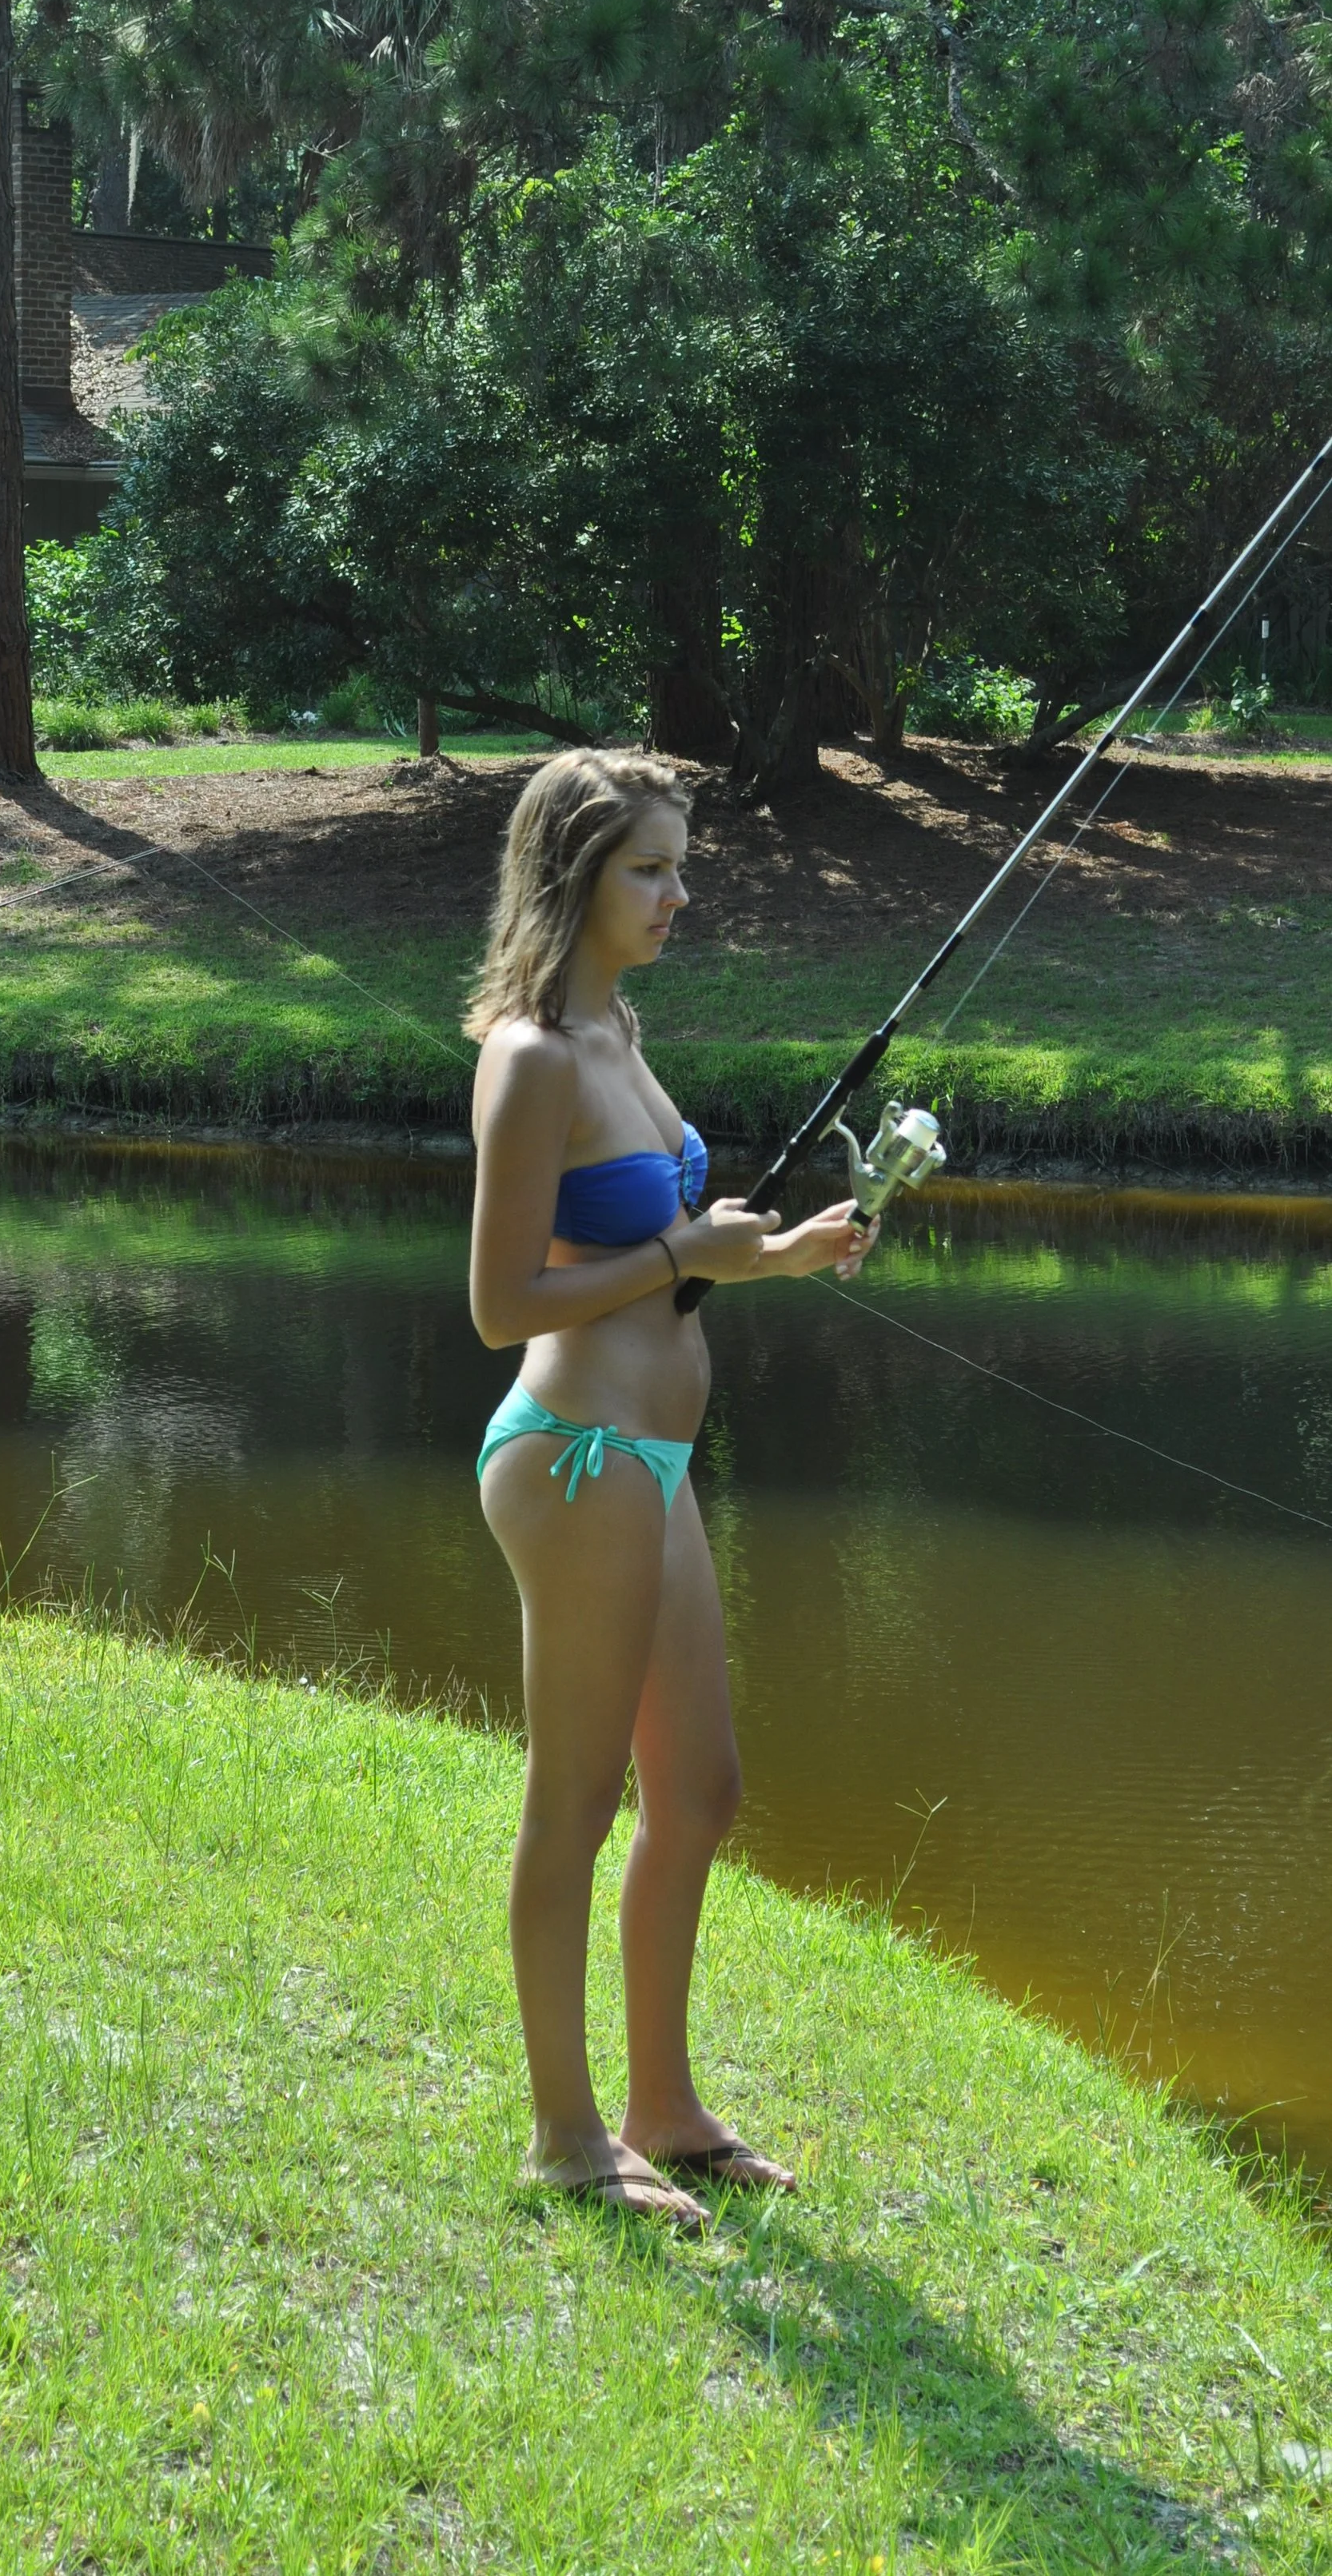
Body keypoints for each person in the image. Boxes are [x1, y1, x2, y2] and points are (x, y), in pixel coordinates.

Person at [468, 749, 875, 2225]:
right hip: (572, 1459)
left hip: (651, 1462)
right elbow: (504, 1303)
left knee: (697, 1790)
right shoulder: (530, 1058)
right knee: (573, 1799)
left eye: (681, 865)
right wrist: (682, 1258)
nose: (679, 894)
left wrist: (772, 1251)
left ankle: (665, 2104)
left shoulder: (621, 1029)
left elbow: (666, 1247)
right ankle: (566, 2135)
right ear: (577, 875)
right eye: (652, 868)